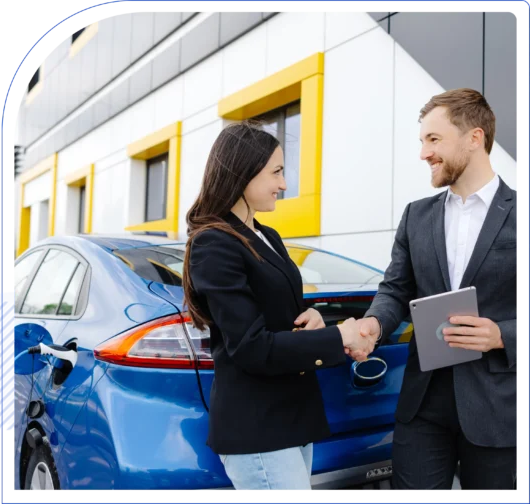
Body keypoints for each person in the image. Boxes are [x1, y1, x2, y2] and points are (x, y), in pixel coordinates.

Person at [182, 121, 369, 492]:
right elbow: (251, 347)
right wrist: (338, 337)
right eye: (277, 172)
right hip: (258, 427)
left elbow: (280, 314)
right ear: (242, 172)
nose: (284, 184)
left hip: (292, 417)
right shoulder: (213, 243)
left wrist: (313, 318)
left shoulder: (266, 235)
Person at [352, 88, 519, 495]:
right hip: (423, 405)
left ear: (474, 138)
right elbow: (394, 290)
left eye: (434, 139)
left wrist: (504, 335)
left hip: (499, 406)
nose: (424, 153)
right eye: (422, 141)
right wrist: (375, 323)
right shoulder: (416, 216)